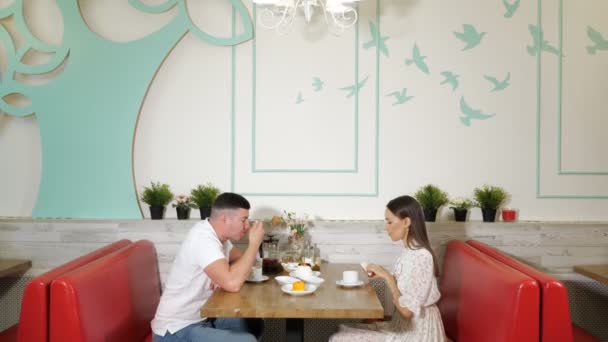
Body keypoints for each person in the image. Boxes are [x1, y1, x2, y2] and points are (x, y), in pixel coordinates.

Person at [329, 195, 447, 342]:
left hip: (418, 333)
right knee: (342, 329)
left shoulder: (422, 256)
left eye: (389, 222)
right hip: (404, 327)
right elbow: (410, 286)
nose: (386, 227)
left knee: (339, 339)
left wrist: (388, 277)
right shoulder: (410, 251)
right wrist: (382, 273)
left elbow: (407, 311)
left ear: (406, 222)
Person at [152, 192, 265, 342]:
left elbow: (238, 259)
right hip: (175, 330)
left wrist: (225, 272)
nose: (247, 226)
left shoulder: (219, 236)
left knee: (254, 323)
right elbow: (233, 284)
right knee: (246, 340)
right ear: (225, 219)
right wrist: (254, 245)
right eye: (243, 220)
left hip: (201, 318)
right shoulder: (203, 239)